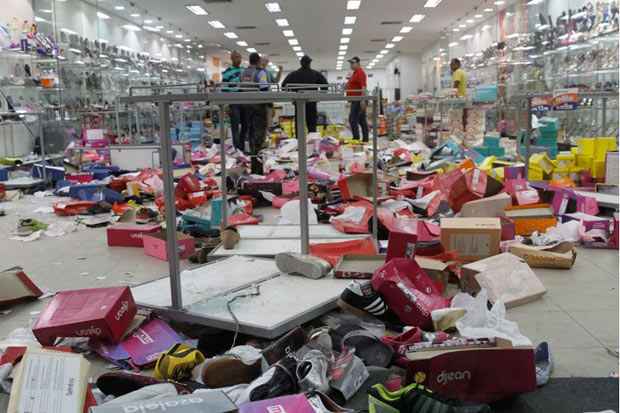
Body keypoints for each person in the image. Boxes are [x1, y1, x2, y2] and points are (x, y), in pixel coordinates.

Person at [281, 55, 328, 133]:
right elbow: (325, 86)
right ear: (310, 63)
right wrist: (319, 96)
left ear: (301, 63)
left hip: (298, 103)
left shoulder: (293, 74)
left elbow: (283, 86)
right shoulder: (315, 74)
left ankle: (298, 143)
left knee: (299, 125)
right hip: (311, 102)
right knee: (312, 125)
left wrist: (292, 95)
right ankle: (312, 142)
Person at [241, 52, 269, 174]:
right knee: (259, 139)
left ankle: (253, 168)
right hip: (258, 109)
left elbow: (240, 89)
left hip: (246, 108)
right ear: (258, 61)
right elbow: (264, 89)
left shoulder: (244, 73)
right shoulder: (260, 72)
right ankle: (258, 170)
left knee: (250, 137)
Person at [222, 51, 246, 151]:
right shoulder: (227, 72)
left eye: (239, 57)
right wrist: (226, 104)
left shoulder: (244, 70)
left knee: (245, 125)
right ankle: (237, 148)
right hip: (234, 101)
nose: (238, 59)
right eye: (236, 57)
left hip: (245, 101)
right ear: (232, 59)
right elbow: (224, 89)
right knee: (235, 127)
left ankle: (242, 146)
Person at [345, 56, 369, 142]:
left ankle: (356, 138)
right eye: (350, 63)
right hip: (355, 100)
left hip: (359, 99)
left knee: (352, 119)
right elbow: (351, 85)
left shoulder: (360, 72)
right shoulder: (354, 73)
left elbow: (363, 86)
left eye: (353, 63)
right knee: (361, 120)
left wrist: (362, 100)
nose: (351, 65)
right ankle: (365, 139)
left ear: (358, 63)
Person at [260, 57, 283, 130]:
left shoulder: (267, 72)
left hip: (268, 99)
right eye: (265, 61)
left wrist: (280, 72)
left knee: (269, 119)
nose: (266, 63)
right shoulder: (257, 71)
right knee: (260, 120)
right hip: (259, 99)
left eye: (267, 62)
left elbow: (275, 81)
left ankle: (267, 135)